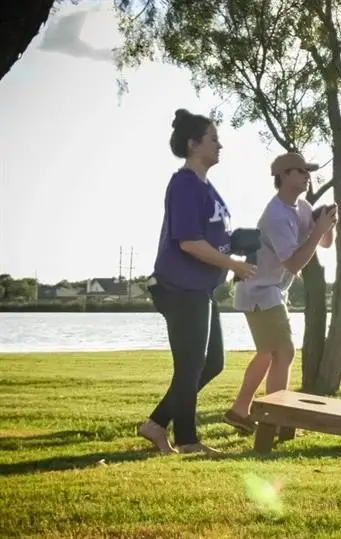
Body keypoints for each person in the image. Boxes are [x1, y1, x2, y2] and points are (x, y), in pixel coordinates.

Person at [137, 108, 257, 455]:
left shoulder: (207, 187)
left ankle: (156, 424)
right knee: (190, 367)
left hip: (201, 290)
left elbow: (211, 235)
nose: (220, 145)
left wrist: (235, 242)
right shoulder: (184, 184)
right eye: (213, 139)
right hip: (180, 288)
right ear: (193, 144)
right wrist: (232, 264)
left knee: (211, 363)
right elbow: (188, 242)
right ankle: (187, 441)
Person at [223, 152, 338, 433]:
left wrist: (327, 223)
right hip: (259, 290)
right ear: (284, 176)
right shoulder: (276, 215)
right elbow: (294, 264)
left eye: (308, 171)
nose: (307, 176)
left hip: (269, 290)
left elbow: (324, 243)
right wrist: (317, 231)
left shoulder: (302, 207)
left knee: (268, 353)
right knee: (284, 352)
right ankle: (275, 421)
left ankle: (240, 411)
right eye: (301, 171)